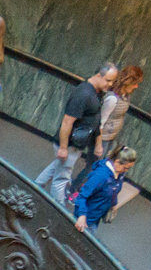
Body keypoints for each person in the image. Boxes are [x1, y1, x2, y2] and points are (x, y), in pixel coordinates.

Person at [34, 63, 118, 206]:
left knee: (57, 167)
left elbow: (96, 120)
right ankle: (57, 209)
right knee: (61, 178)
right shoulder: (83, 93)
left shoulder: (96, 92)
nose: (110, 85)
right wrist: (63, 147)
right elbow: (67, 122)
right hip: (71, 144)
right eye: (108, 80)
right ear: (99, 75)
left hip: (76, 144)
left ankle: (35, 187)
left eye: (112, 81)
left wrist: (98, 144)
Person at [73, 146, 139, 231]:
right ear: (117, 162)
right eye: (125, 168)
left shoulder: (119, 173)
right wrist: (82, 215)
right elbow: (82, 196)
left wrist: (113, 204)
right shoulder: (100, 176)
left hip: (96, 218)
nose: (126, 171)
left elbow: (114, 189)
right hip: (85, 221)